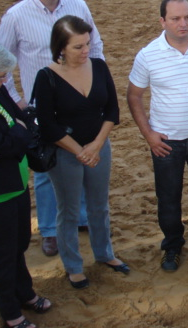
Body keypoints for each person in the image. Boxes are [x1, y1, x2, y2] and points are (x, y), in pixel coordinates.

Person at [0, 0, 103, 257]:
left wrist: (99, 84)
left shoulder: (78, 6)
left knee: (82, 159)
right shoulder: (16, 16)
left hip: (81, 103)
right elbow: (0, 62)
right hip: (41, 108)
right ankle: (50, 230)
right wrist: (17, 101)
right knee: (45, 168)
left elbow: (95, 47)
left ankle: (79, 217)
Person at [127, 0, 188, 273]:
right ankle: (171, 246)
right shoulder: (148, 55)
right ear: (162, 21)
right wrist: (149, 135)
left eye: (187, 17)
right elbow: (134, 96)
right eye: (176, 18)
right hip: (165, 143)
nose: (183, 24)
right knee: (168, 197)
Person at [33, 15, 127, 289]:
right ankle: (73, 266)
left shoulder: (98, 66)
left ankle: (104, 254)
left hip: (98, 147)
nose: (86, 51)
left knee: (99, 206)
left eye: (87, 44)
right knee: (70, 211)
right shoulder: (46, 76)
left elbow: (112, 110)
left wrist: (97, 145)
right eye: (78, 47)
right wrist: (80, 151)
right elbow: (48, 124)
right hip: (65, 153)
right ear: (61, 48)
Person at [0, 39, 52, 328]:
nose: (5, 81)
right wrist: (18, 134)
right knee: (2, 253)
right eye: (0, 76)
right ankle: (10, 312)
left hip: (14, 183)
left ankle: (25, 293)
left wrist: (18, 132)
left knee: (18, 245)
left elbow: (21, 124)